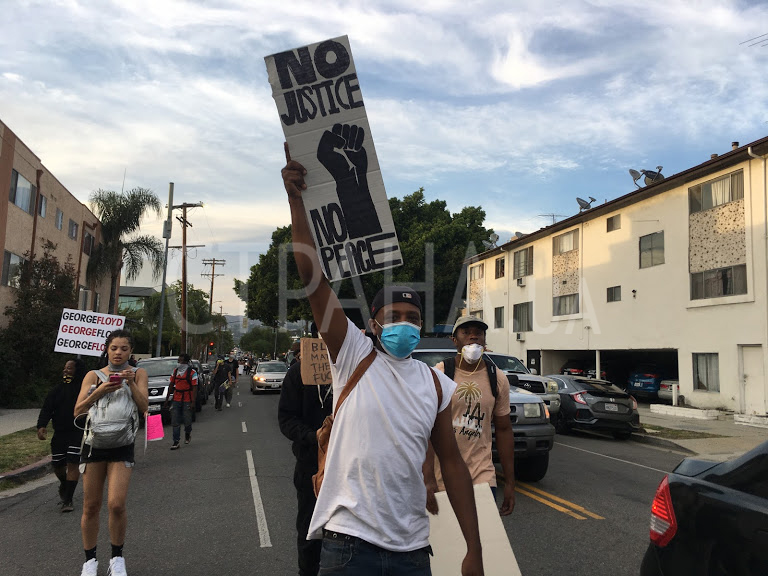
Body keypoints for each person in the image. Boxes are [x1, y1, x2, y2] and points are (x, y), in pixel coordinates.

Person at [282, 145, 483, 576]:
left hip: (413, 551)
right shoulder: (353, 354)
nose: (405, 325)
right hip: (349, 548)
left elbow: (452, 463)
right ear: (373, 325)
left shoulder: (435, 384)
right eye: (394, 317)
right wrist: (296, 201)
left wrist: (474, 549)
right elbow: (312, 278)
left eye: (413, 318)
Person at [423, 316, 516, 518]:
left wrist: (510, 482)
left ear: (484, 340)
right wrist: (428, 478)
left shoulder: (497, 378)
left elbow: (504, 429)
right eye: (466, 333)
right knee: (449, 536)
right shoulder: (439, 374)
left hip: (482, 476)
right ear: (454, 340)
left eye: (478, 333)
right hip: (443, 478)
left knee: (483, 535)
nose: (473, 337)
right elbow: (426, 429)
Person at [73, 330, 148, 576]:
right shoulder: (93, 375)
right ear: (107, 349)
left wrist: (129, 383)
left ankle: (117, 558)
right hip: (94, 445)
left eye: (124, 349)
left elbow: (144, 406)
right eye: (114, 348)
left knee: (116, 504)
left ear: (130, 351)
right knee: (91, 506)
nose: (118, 353)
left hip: (122, 444)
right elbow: (78, 410)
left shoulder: (138, 373)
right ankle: (90, 561)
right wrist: (101, 390)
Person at [279, 343, 333, 576]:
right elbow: (286, 419)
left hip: (352, 468)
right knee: (311, 531)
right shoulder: (298, 373)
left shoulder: (357, 369)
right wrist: (313, 436)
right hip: (311, 466)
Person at [37, 358, 87, 512]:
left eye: (69, 368)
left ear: (77, 370)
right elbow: (47, 409)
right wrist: (41, 426)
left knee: (73, 462)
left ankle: (68, 500)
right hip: (59, 433)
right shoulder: (56, 390)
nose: (65, 371)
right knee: (58, 464)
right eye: (65, 368)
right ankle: (64, 483)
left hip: (77, 431)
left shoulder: (84, 390)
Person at [168, 353, 198, 450]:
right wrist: (167, 399)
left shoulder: (192, 373)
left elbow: (194, 387)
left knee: (187, 420)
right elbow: (171, 385)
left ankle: (187, 433)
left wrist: (193, 402)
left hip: (187, 399)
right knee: (175, 421)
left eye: (181, 361)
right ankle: (176, 441)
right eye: (178, 360)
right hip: (176, 398)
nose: (179, 363)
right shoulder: (175, 371)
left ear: (186, 362)